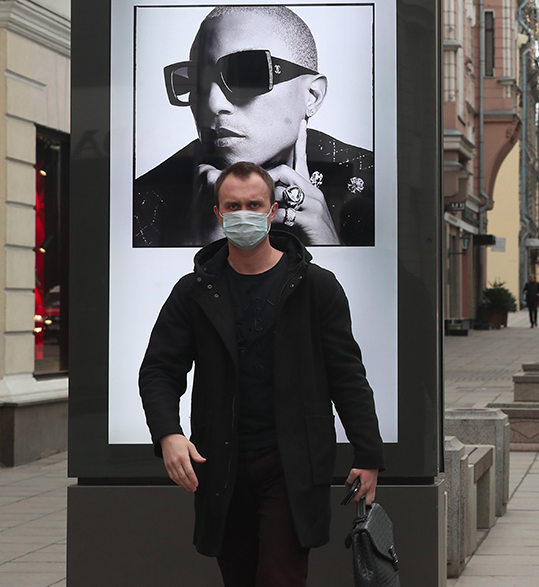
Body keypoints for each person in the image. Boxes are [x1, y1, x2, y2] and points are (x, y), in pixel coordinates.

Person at [138, 161, 384, 587]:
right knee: (238, 576)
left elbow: (346, 373)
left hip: (292, 461)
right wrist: (168, 433)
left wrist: (368, 454)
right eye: (233, 206)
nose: (244, 214)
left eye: (254, 204)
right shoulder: (195, 290)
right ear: (217, 213)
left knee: (279, 576)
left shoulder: (315, 286)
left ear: (272, 211)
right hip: (220, 461)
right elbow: (159, 369)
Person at [134, 5, 374, 248]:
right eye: (197, 81)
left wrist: (331, 249)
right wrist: (193, 248)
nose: (213, 104)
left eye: (245, 76)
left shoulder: (375, 182)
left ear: (312, 95)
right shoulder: (140, 201)